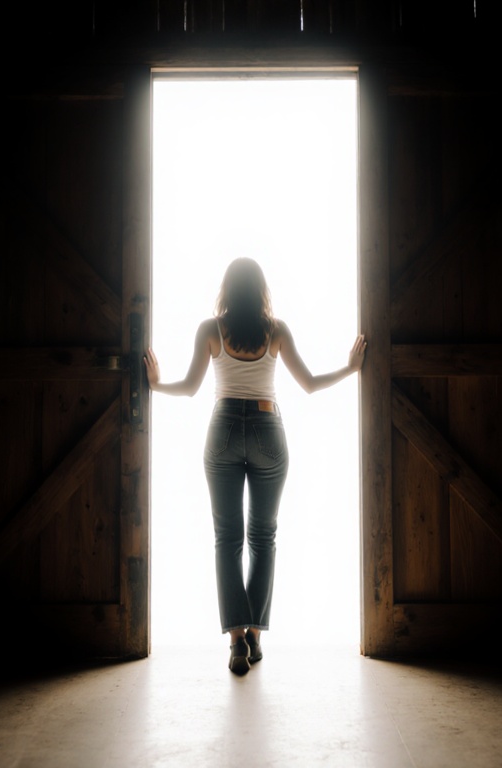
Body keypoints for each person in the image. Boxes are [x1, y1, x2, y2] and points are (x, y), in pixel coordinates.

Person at [144, 257, 366, 675]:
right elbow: (311, 384)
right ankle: (255, 637)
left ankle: (235, 641)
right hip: (267, 426)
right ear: (261, 289)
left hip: (224, 426)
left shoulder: (211, 330)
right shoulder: (275, 330)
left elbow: (191, 389)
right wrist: (350, 369)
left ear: (226, 289)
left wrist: (156, 384)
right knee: (263, 537)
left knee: (226, 539)